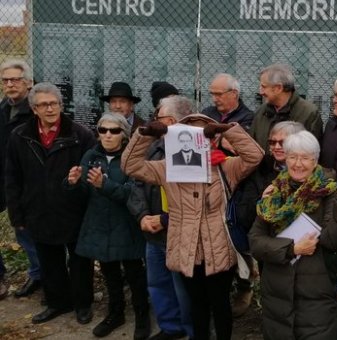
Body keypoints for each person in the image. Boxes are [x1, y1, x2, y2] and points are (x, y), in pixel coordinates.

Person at [122, 115, 264, 340]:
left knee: (220, 305)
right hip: (186, 247)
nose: (195, 142)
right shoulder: (168, 168)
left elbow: (255, 156)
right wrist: (146, 135)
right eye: (187, 135)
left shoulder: (225, 167)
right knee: (195, 305)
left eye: (202, 135)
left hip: (218, 248)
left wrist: (228, 130)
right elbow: (130, 166)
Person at [249, 130, 337, 339]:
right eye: (292, 157)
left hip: (316, 292)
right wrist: (292, 249)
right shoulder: (274, 193)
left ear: (315, 160)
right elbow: (256, 242)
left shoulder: (328, 192)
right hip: (277, 291)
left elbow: (333, 240)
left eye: (305, 158)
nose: (298, 164)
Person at [5, 82, 96, 324]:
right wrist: (17, 213)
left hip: (73, 209)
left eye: (54, 103)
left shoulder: (80, 135)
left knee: (79, 260)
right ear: (34, 109)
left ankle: (82, 304)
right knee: (49, 260)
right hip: (38, 208)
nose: (50, 109)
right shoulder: (20, 136)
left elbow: (91, 173)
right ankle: (58, 302)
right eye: (44, 105)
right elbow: (12, 176)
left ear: (60, 105)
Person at [67, 112, 150, 339]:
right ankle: (116, 313)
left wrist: (105, 184)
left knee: (134, 272)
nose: (108, 135)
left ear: (124, 135)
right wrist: (73, 183)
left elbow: (133, 193)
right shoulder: (91, 156)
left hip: (126, 224)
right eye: (103, 130)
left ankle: (142, 314)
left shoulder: (132, 158)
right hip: (99, 224)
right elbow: (84, 193)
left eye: (114, 131)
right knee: (109, 272)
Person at [127, 95, 194, 340]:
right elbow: (136, 183)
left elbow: (195, 198)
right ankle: (170, 327)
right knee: (158, 283)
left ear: (173, 120)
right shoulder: (153, 147)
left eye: (159, 117)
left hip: (179, 234)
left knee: (184, 289)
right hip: (152, 233)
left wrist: (165, 219)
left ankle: (191, 330)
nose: (154, 121)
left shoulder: (194, 151)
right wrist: (143, 215)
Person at [232, 120, 305, 318]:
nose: (276, 147)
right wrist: (262, 202)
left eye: (283, 142)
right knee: (273, 293)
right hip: (269, 244)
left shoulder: (310, 170)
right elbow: (245, 211)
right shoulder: (260, 169)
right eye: (272, 142)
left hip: (303, 246)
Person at [0, 59, 42, 299]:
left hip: (29, 182)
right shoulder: (2, 109)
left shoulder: (35, 111)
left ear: (28, 83)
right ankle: (36, 273)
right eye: (6, 80)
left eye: (15, 79)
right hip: (6, 179)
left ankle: (42, 275)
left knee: (29, 231)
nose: (10, 84)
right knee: (20, 229)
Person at [250, 63, 323, 150]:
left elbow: (311, 152)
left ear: (279, 88)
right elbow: (252, 145)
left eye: (264, 87)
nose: (261, 92)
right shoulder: (261, 111)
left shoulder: (309, 113)